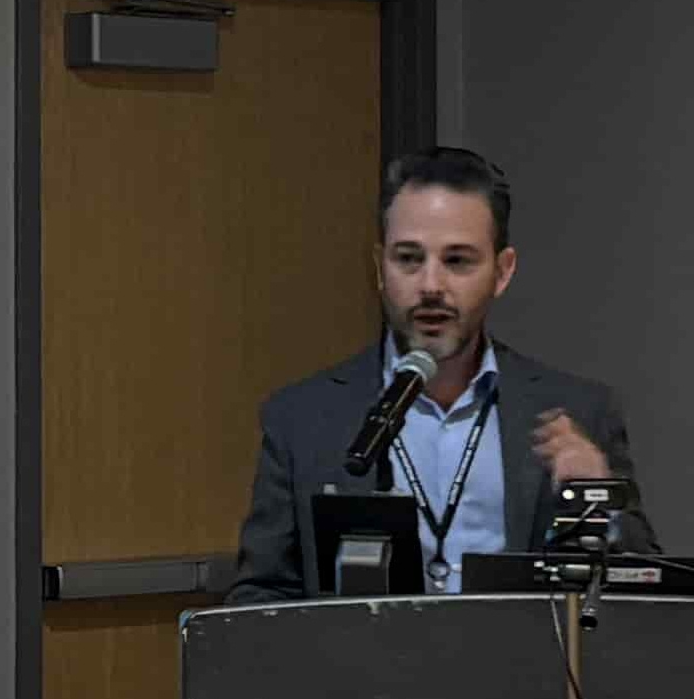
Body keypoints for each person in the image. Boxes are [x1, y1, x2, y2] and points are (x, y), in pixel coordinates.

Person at [223, 147, 649, 604]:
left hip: (521, 671)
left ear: (502, 273)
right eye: (408, 258)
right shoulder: (303, 419)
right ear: (379, 267)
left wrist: (597, 502)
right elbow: (260, 596)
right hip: (361, 671)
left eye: (458, 261)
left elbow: (648, 591)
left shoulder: (579, 412)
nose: (430, 286)